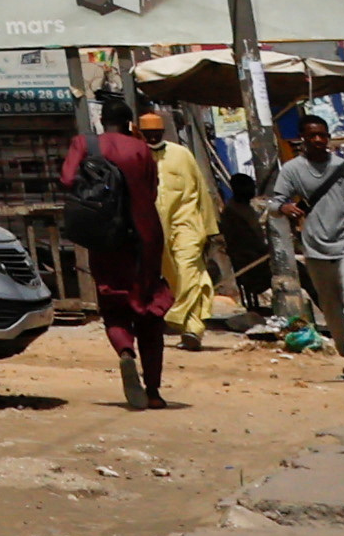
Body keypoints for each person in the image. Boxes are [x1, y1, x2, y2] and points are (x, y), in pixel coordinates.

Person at [60, 87, 176, 407]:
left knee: (113, 305)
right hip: (144, 237)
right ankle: (153, 392)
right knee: (149, 312)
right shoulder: (141, 150)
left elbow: (67, 179)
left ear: (102, 121)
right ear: (128, 124)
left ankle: (125, 351)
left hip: (105, 239)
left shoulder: (83, 144)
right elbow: (152, 191)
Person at [268, 111, 344, 385]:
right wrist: (284, 207)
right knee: (331, 308)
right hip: (316, 249)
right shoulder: (292, 170)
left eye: (323, 135)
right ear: (302, 139)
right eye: (312, 135)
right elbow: (273, 202)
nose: (318, 140)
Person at [156, 117, 235, 348]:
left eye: (156, 132)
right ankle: (193, 328)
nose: (152, 137)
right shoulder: (140, 157)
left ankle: (177, 315)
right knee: (180, 278)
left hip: (188, 224)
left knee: (187, 268)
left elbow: (201, 190)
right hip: (158, 230)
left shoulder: (181, 155)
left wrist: (210, 229)